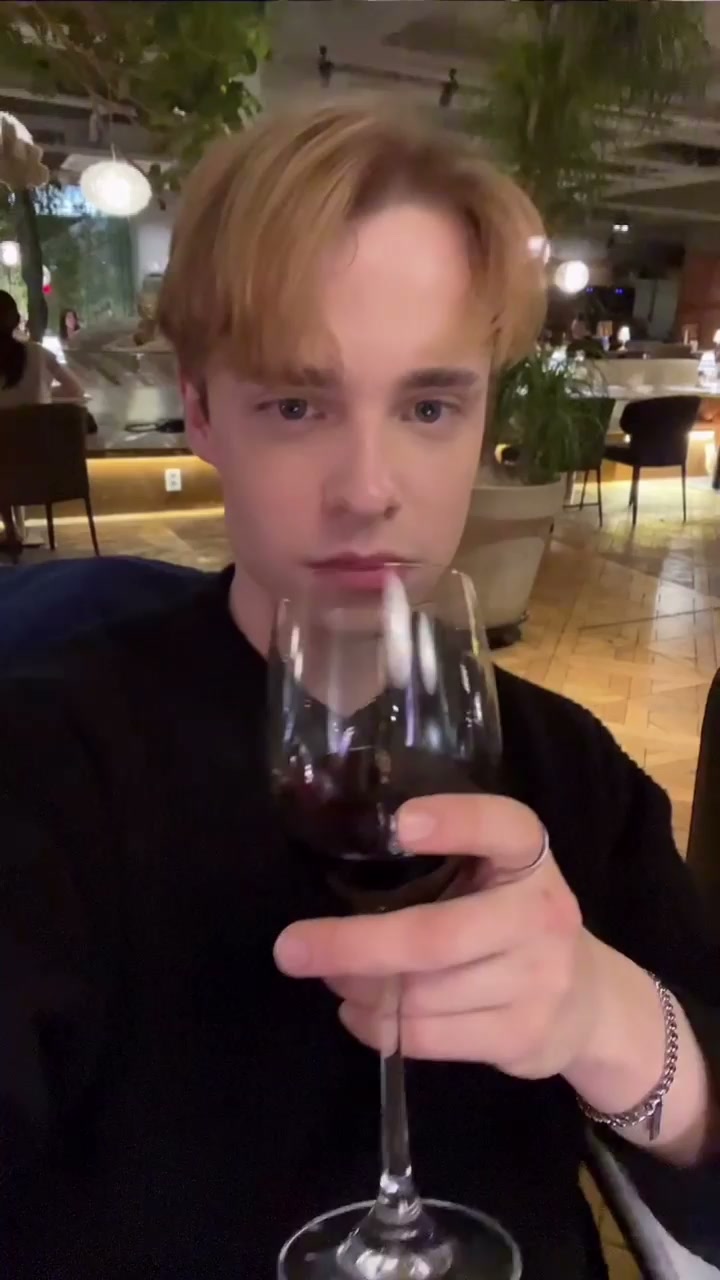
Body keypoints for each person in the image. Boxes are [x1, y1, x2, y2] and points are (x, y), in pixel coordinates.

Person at [1, 100, 719, 1280]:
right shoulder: (46, 762)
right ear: (201, 409)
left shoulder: (571, 768)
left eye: (429, 406)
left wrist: (617, 1023)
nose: (370, 488)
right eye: (297, 404)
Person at [0, 290, 84, 547]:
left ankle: (11, 529)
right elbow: (76, 390)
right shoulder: (38, 353)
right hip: (45, 468)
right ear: (17, 320)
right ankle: (16, 529)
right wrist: (45, 394)